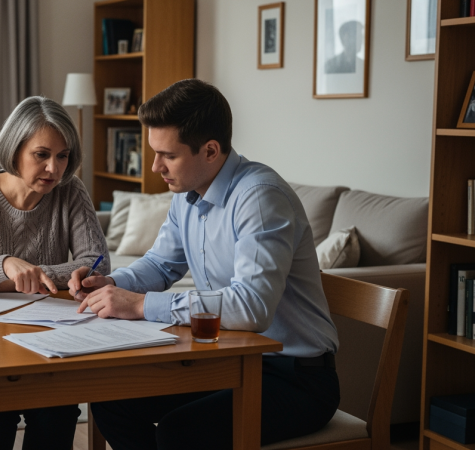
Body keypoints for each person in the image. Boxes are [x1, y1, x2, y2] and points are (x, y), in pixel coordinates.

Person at [68, 79, 340, 450]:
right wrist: (109, 283)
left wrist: (141, 304)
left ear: (210, 150)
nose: (155, 166)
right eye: (154, 153)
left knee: (181, 431)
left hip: (294, 377)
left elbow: (251, 308)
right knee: (112, 401)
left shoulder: (259, 199)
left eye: (168, 155)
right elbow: (161, 265)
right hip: (230, 361)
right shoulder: (188, 193)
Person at [0, 96, 110, 449]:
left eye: (63, 156)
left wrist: (33, 272)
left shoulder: (71, 191)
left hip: (49, 337)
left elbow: (98, 262)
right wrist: (5, 264)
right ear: (14, 151)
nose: (54, 169)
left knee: (57, 413)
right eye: (41, 155)